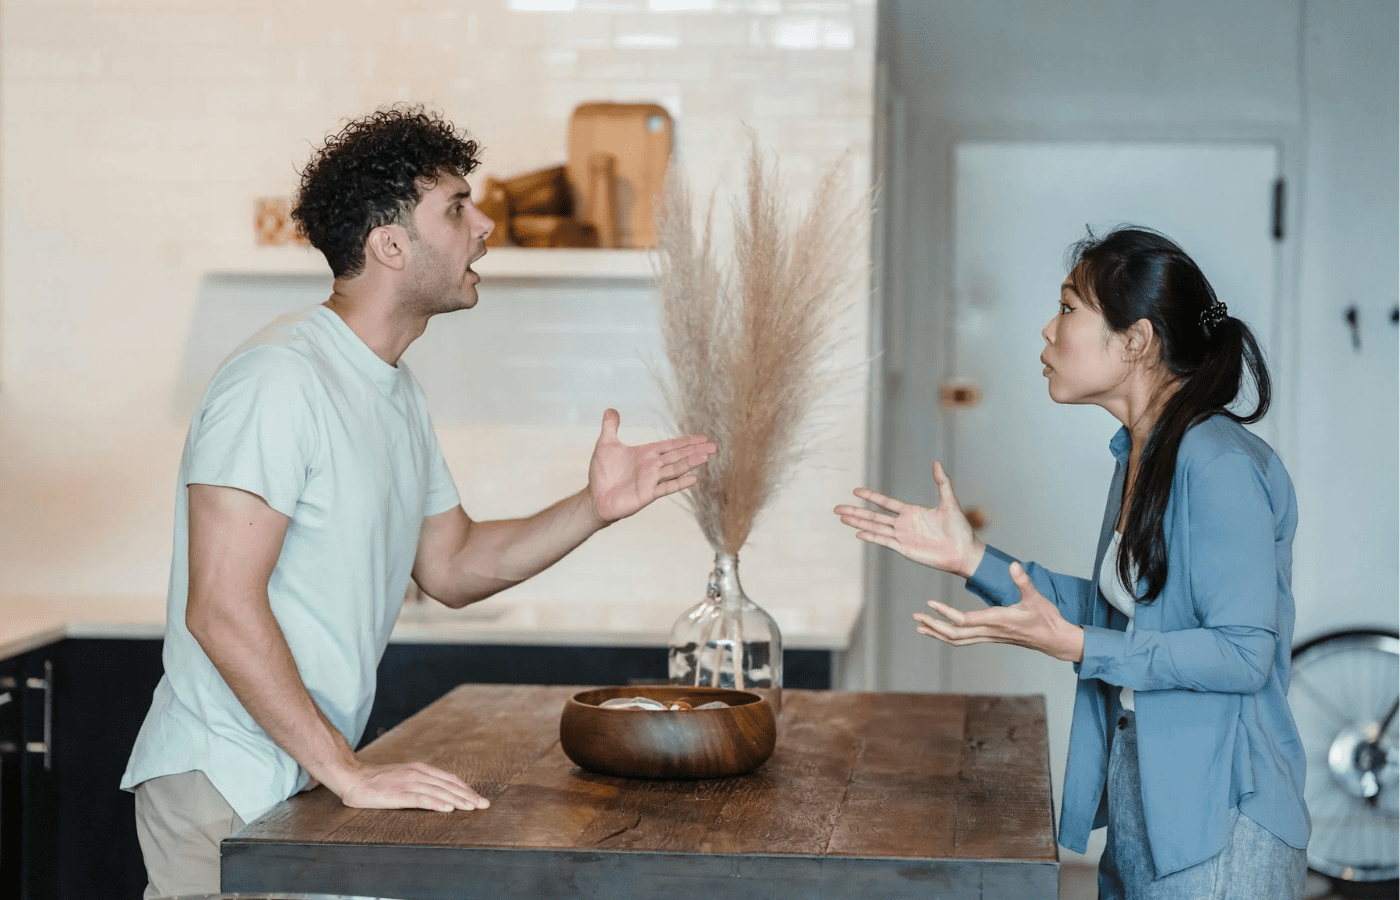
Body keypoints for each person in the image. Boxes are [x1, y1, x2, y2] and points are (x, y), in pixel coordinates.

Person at [121, 105, 716, 899]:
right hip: (223, 780)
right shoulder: (278, 381)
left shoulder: (394, 390)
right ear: (390, 245)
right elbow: (220, 607)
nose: (486, 226)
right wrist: (351, 772)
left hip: (303, 776)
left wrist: (594, 506)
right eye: (458, 208)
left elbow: (452, 564)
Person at [835, 226, 1309, 899]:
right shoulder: (1142, 453)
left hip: (1221, 814)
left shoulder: (1219, 463)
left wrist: (1081, 646)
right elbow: (1128, 618)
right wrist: (971, 558)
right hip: (1147, 793)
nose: (1046, 332)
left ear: (1135, 340)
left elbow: (1241, 655)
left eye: (1067, 309)